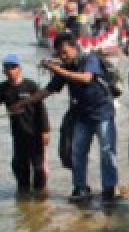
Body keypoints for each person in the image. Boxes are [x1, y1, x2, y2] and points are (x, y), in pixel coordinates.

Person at [30, 32, 119, 201]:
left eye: (65, 52)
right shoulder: (65, 68)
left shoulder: (89, 59)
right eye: (59, 54)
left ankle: (110, 187)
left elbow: (86, 78)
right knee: (77, 153)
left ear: (74, 47)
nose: (63, 56)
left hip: (103, 113)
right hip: (82, 116)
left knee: (107, 152)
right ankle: (80, 187)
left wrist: (57, 69)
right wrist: (27, 102)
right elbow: (48, 90)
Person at [0, 54, 50, 194]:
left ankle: (41, 199)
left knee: (39, 169)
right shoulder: (2, 88)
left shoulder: (31, 86)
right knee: (20, 170)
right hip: (18, 135)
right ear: (3, 71)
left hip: (35, 134)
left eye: (13, 67)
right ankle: (23, 201)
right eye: (7, 68)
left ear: (19, 68)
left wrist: (46, 131)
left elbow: (41, 110)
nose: (10, 71)